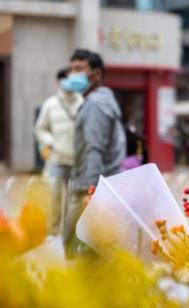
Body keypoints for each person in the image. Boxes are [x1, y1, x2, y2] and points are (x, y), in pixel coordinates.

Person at [63, 49, 125, 258]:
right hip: (101, 188)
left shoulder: (95, 106)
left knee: (79, 254)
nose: (73, 75)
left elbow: (94, 151)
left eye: (79, 69)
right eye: (71, 69)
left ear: (97, 74)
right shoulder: (100, 102)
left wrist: (90, 194)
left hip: (91, 191)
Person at [34, 67, 83, 234]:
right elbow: (40, 128)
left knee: (74, 198)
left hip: (77, 160)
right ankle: (53, 230)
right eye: (69, 79)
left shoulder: (82, 103)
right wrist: (51, 142)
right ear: (60, 81)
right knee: (54, 195)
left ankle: (69, 233)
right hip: (56, 159)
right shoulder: (50, 104)